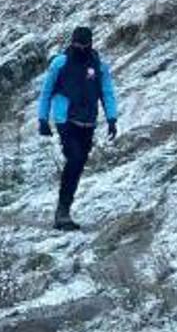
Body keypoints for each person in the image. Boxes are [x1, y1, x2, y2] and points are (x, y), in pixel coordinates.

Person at [37, 26, 119, 232]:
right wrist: (42, 119)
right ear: (71, 42)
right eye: (76, 44)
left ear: (90, 43)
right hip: (65, 119)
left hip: (88, 121)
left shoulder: (99, 66)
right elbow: (46, 91)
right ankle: (62, 212)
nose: (79, 48)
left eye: (83, 44)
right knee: (74, 158)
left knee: (78, 164)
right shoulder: (60, 63)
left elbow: (107, 93)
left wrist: (111, 118)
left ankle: (64, 209)